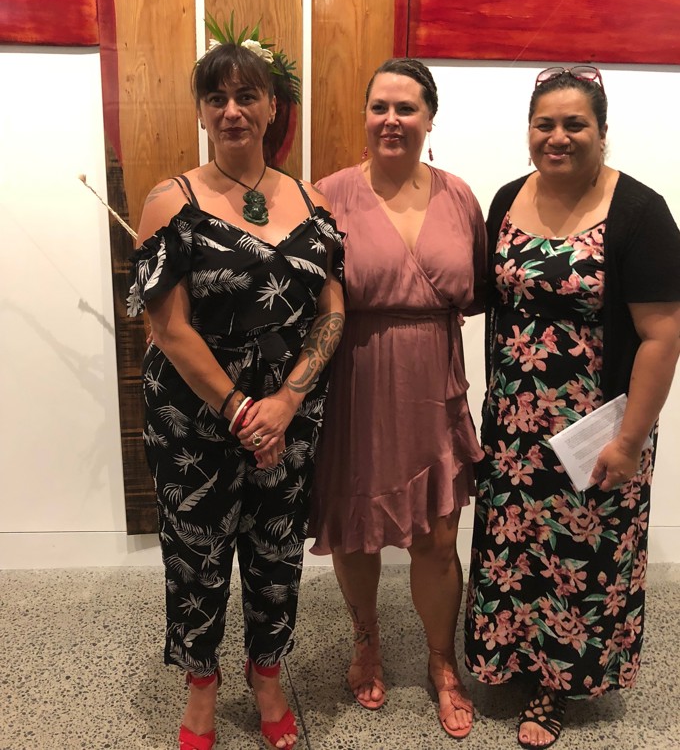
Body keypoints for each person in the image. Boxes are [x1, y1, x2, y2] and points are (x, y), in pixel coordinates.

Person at [127, 41, 344, 750]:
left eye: (247, 95)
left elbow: (332, 311)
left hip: (291, 416)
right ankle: (200, 685)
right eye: (216, 98)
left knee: (276, 550)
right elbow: (170, 327)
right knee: (197, 552)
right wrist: (242, 411)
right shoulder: (172, 202)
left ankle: (267, 672)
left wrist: (285, 402)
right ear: (200, 110)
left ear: (272, 107)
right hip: (195, 417)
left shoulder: (311, 201)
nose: (231, 110)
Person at [464, 66, 680, 748]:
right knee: (516, 548)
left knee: (581, 558)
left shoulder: (640, 212)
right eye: (544, 123)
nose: (557, 137)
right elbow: (478, 294)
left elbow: (662, 333)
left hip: (598, 426)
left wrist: (630, 439)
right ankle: (512, 656)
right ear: (529, 131)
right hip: (513, 427)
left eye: (574, 124)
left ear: (602, 132)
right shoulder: (506, 199)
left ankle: (559, 684)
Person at [308, 57, 487, 739]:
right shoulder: (327, 195)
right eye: (380, 105)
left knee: (438, 538)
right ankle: (365, 639)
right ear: (364, 114)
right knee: (357, 530)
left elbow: (473, 294)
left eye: (406, 107)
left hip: (434, 384)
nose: (392, 118)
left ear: (429, 117)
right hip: (356, 380)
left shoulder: (459, 196)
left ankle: (443, 661)